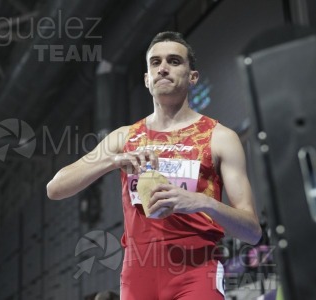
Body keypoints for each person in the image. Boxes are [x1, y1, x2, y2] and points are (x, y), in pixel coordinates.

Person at [47, 31, 261, 300]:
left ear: (192, 76)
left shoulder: (220, 138)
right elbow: (55, 188)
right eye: (155, 63)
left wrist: (202, 202)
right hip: (137, 275)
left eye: (174, 61)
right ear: (147, 79)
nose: (163, 68)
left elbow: (252, 232)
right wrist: (112, 161)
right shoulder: (123, 138)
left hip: (196, 270)